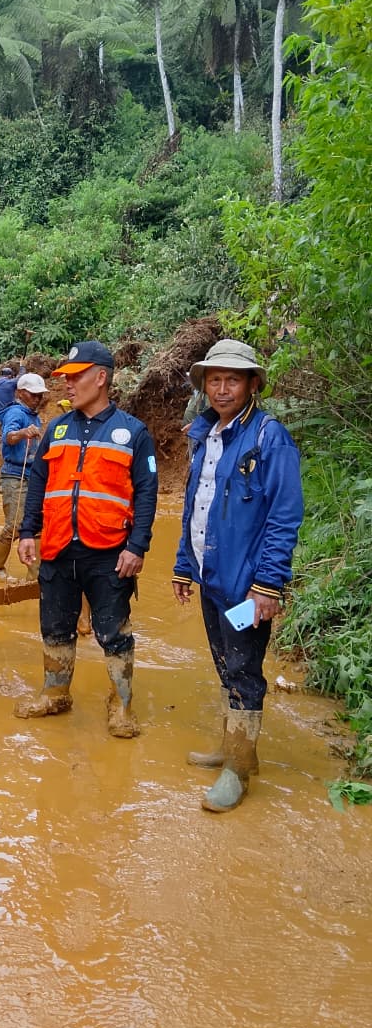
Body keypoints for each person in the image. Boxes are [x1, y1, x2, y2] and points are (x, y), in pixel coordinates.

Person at [172, 339, 303, 813]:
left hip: (247, 586)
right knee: (226, 664)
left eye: (232, 380)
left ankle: (238, 771)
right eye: (214, 380)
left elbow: (284, 515)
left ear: (251, 385)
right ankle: (236, 749)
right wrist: (183, 564)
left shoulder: (270, 437)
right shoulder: (206, 435)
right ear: (204, 386)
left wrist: (267, 585)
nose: (222, 389)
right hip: (212, 578)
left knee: (244, 670)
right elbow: (197, 505)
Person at [17, 341, 158, 736]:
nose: (67, 384)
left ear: (100, 378)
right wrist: (28, 531)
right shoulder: (57, 428)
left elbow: (147, 493)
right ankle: (55, 693)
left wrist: (137, 547)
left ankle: (121, 703)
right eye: (65, 377)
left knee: (114, 631)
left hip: (109, 552)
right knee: (55, 626)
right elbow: (39, 482)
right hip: (58, 546)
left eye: (75, 377)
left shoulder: (133, 432)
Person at [0, 372, 47, 582]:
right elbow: (9, 437)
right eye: (33, 394)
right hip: (15, 476)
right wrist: (23, 433)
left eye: (40, 395)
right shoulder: (16, 413)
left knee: (34, 524)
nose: (38, 398)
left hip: (32, 475)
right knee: (15, 524)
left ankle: (35, 574)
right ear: (21, 393)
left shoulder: (33, 415)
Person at [0, 365, 17, 439]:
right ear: (10, 376)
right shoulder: (10, 383)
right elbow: (20, 378)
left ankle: (0, 446)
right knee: (10, 436)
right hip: (8, 416)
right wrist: (22, 366)